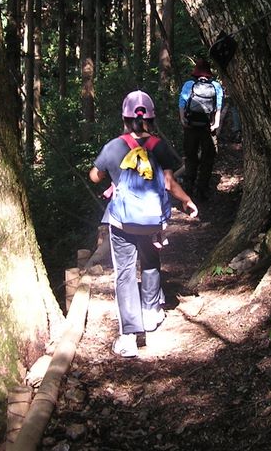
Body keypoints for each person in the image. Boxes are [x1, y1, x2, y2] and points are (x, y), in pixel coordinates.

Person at [89, 90, 198, 358]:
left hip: (122, 223)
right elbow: (170, 183)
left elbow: (94, 176)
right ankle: (151, 313)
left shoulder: (114, 146)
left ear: (124, 118)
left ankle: (128, 336)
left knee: (124, 273)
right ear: (150, 118)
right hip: (152, 222)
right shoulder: (159, 147)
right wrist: (187, 201)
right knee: (151, 261)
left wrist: (112, 175)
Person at [178, 58, 224, 201]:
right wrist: (216, 123)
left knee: (190, 158)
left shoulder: (189, 84)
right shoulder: (215, 85)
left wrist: (183, 120)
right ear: (208, 72)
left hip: (191, 127)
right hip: (207, 128)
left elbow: (182, 103)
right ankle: (202, 190)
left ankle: (188, 189)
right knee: (208, 159)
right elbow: (218, 105)